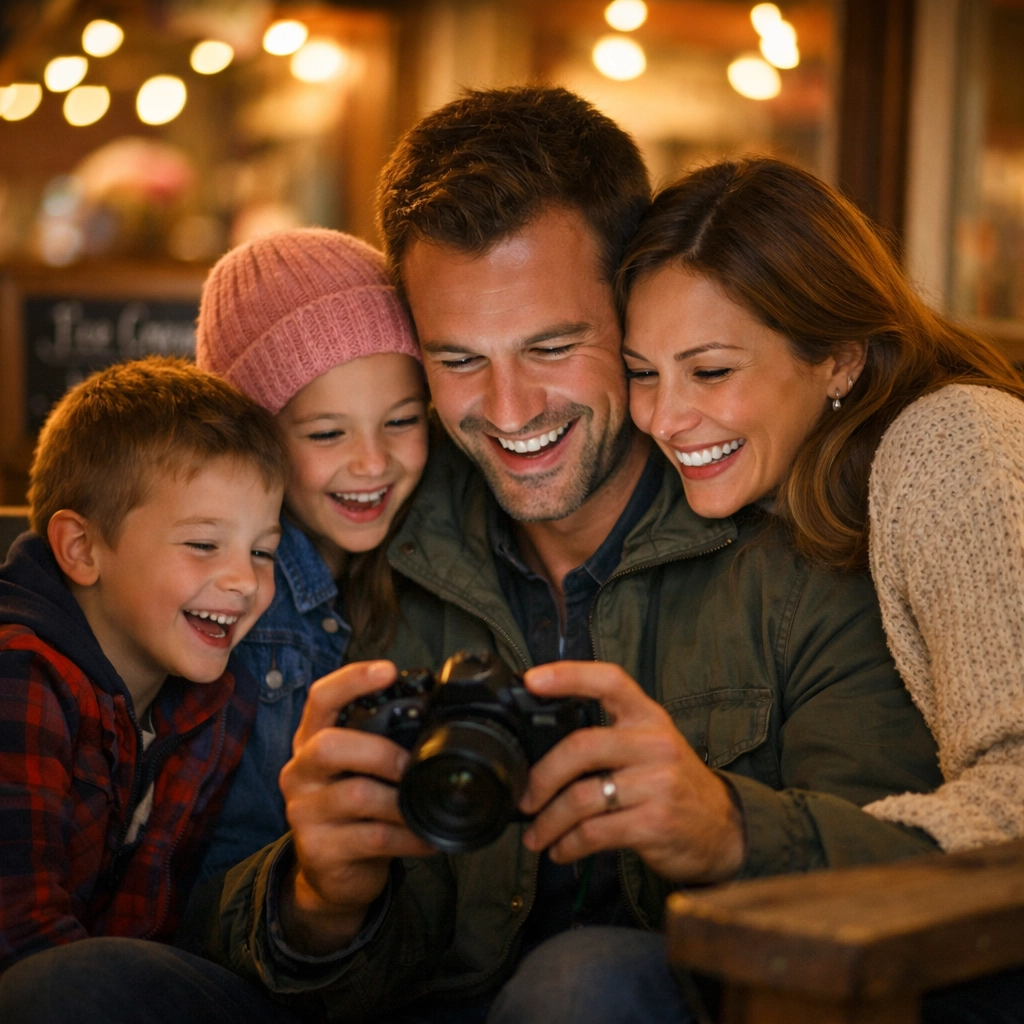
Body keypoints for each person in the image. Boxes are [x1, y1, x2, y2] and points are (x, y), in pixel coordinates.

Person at [178, 87, 945, 1024]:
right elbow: (214, 905)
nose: (507, 412)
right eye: (458, 361)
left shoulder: (796, 538)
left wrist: (727, 829)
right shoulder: (369, 519)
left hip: (665, 998)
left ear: (633, 306)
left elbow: (912, 879)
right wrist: (319, 902)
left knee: (584, 981)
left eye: (550, 346)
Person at [615, 155, 1024, 1023]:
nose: (662, 416)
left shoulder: (951, 442)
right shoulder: (786, 490)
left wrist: (815, 868)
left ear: (838, 361)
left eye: (711, 371)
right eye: (642, 373)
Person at [0, 359, 288, 984]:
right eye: (204, 544)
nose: (244, 579)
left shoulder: (217, 702)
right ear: (82, 549)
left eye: (262, 550)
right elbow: (22, 944)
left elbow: (152, 930)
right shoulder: (19, 676)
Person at [193, 227, 428, 879]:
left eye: (404, 420)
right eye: (327, 432)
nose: (372, 462)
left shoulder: (427, 554)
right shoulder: (239, 610)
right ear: (256, 442)